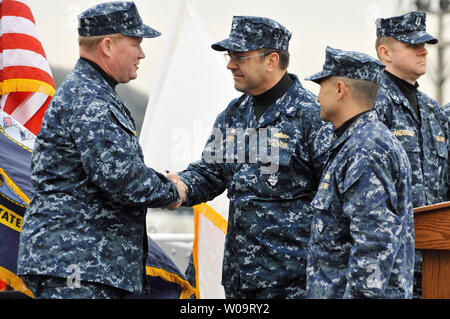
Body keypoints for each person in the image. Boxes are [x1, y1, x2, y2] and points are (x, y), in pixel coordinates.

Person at [17, 1, 187, 299]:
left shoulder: (91, 92)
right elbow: (123, 180)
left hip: (82, 265)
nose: (142, 53)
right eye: (136, 43)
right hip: (77, 267)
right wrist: (174, 190)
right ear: (108, 45)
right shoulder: (91, 100)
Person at [167, 16, 334, 299]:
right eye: (230, 56)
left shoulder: (312, 116)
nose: (231, 64)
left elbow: (334, 198)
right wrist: (180, 186)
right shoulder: (233, 114)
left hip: (295, 282)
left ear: (271, 61)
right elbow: (211, 173)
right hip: (240, 280)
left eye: (240, 57)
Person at [304, 46, 415, 299]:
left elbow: (372, 247)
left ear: (340, 89)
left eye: (322, 87)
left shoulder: (365, 150)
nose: (318, 97)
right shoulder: (358, 141)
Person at [373, 11, 450, 298]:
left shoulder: (432, 111)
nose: (423, 50)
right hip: (390, 265)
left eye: (425, 44)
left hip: (434, 262)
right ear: (385, 52)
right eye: (412, 45)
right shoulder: (372, 106)